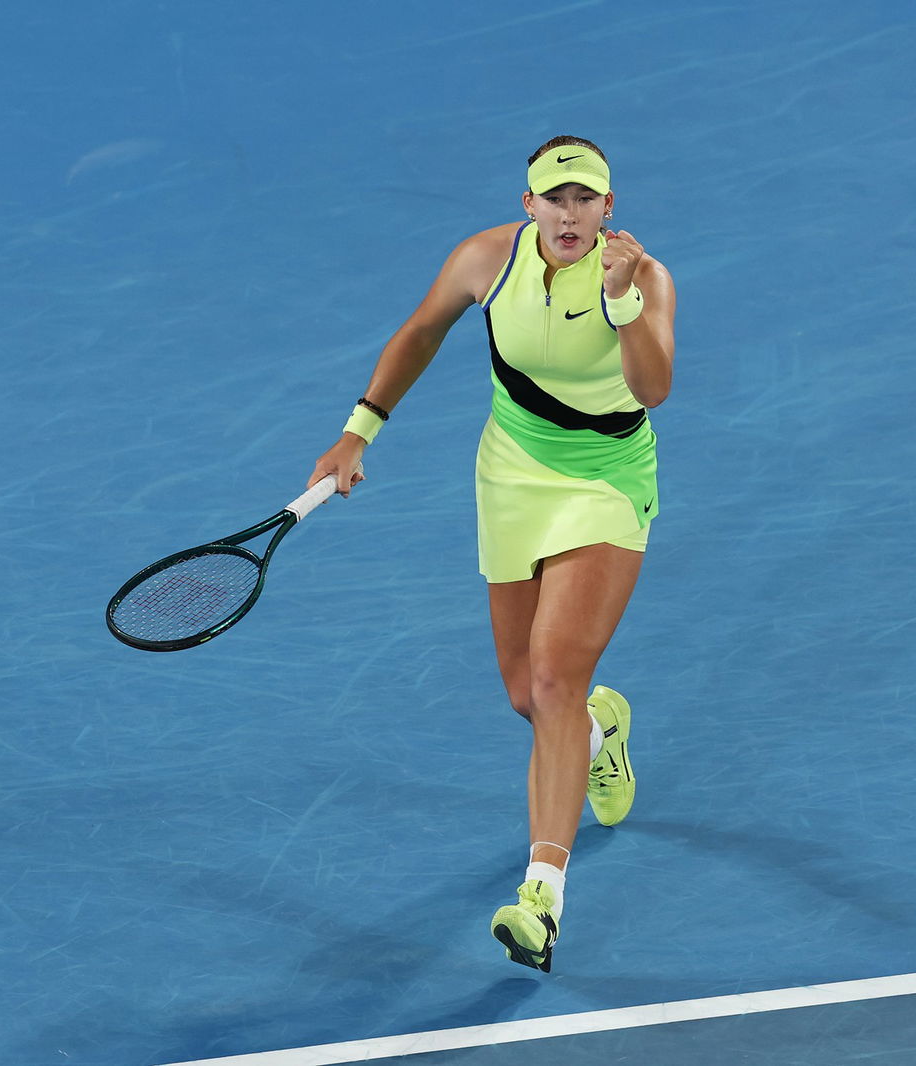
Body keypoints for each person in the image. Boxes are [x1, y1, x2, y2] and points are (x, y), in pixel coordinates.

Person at [308, 135, 675, 972]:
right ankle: (600, 729)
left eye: (587, 199)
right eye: (556, 198)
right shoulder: (486, 259)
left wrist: (620, 303)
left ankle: (541, 897)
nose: (570, 213)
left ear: (609, 209)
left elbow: (654, 389)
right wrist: (358, 430)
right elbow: (421, 330)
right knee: (528, 696)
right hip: (511, 474)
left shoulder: (643, 277)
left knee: (552, 678)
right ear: (529, 206)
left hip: (608, 482)